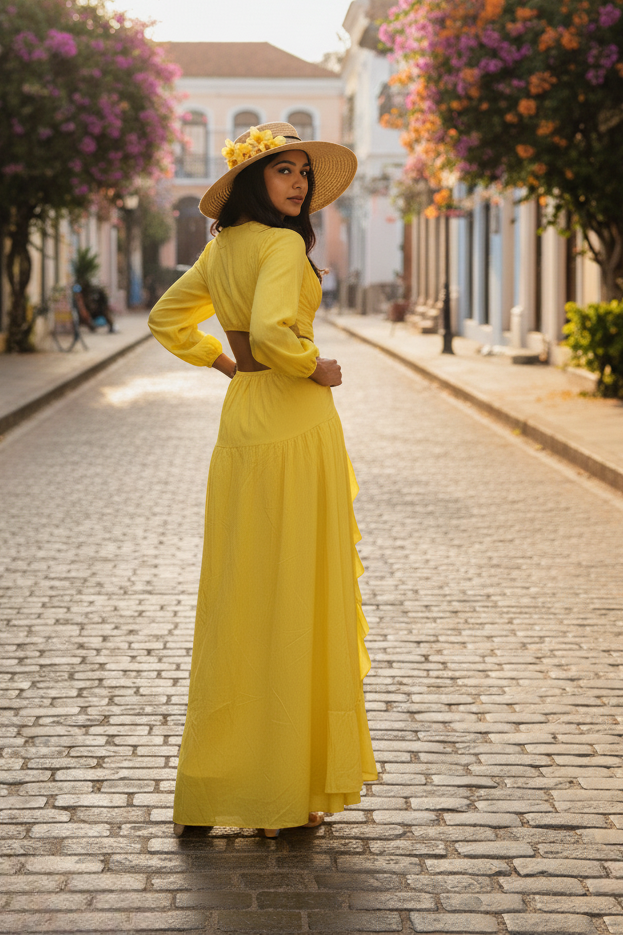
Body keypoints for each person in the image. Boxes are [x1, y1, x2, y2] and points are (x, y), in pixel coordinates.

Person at [148, 121, 377, 839]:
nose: (299, 184)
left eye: (304, 174)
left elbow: (166, 318)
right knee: (294, 597)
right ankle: (286, 786)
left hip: (243, 424)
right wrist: (319, 367)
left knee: (240, 598)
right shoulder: (280, 245)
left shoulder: (219, 249)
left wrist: (225, 363)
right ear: (255, 180)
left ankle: (221, 782)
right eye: (285, 172)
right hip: (294, 425)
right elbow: (279, 335)